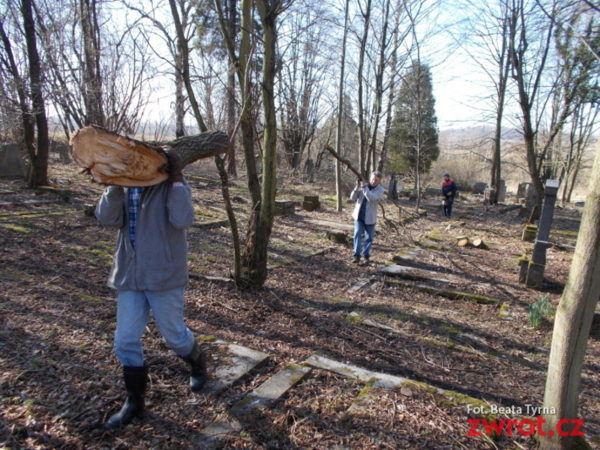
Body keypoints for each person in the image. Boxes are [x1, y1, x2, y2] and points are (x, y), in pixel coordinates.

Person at [95, 151, 206, 430]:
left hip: (163, 276)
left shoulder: (169, 184)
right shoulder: (123, 186)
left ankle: (197, 362)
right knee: (125, 340)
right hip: (130, 277)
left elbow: (183, 220)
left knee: (175, 336)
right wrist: (114, 184)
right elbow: (106, 219)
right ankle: (134, 400)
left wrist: (177, 179)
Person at [350, 171, 385, 264]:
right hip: (359, 216)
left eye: (376, 180)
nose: (374, 181)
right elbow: (352, 198)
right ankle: (356, 255)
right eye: (373, 179)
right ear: (370, 178)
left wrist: (364, 188)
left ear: (379, 181)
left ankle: (366, 255)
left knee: (369, 238)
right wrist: (357, 187)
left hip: (370, 218)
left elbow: (371, 198)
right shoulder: (363, 186)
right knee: (357, 234)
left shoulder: (380, 190)